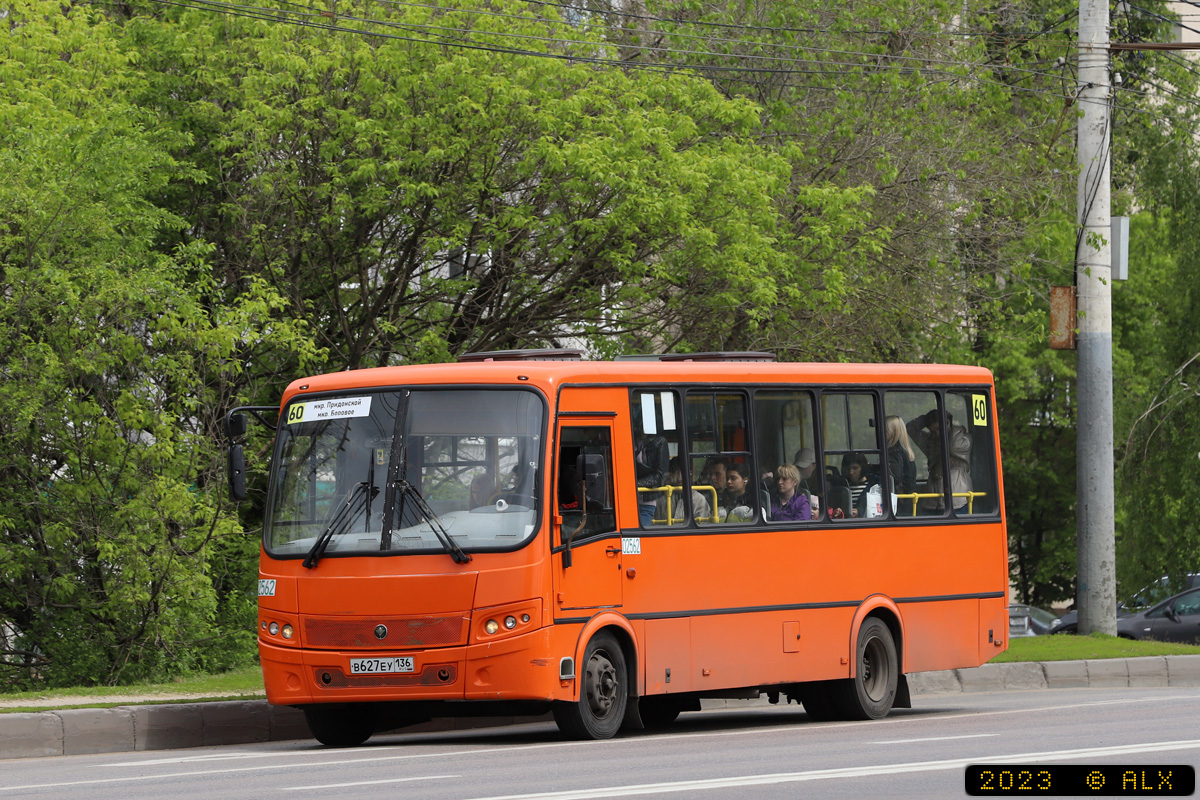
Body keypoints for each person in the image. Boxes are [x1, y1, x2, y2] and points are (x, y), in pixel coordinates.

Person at [907, 409, 972, 513]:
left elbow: (952, 448)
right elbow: (910, 429)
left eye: (939, 429)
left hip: (957, 498)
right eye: (933, 431)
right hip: (933, 499)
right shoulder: (930, 441)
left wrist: (949, 429)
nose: (937, 434)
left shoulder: (962, 439)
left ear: (947, 423)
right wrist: (925, 419)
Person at [656, 458, 711, 524]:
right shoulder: (662, 501)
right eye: (676, 473)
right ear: (670, 475)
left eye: (683, 472)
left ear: (690, 473)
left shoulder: (699, 500)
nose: (679, 478)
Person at [634, 431, 670, 527]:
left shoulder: (659, 442)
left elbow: (660, 476)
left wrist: (634, 484)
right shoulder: (629, 439)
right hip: (626, 502)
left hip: (646, 502)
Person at [885, 415, 917, 496]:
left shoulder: (894, 452)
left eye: (885, 430)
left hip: (898, 498)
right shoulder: (904, 451)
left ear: (893, 432)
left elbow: (894, 477)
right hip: (906, 499)